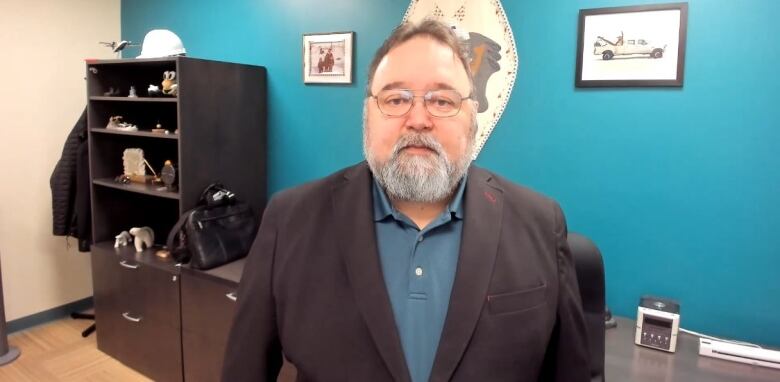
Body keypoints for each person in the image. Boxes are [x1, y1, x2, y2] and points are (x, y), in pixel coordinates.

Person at [222, 19, 589, 382]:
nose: (417, 119)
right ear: (367, 116)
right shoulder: (290, 221)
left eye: (442, 100)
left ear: (473, 120)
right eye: (396, 99)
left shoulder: (540, 223)